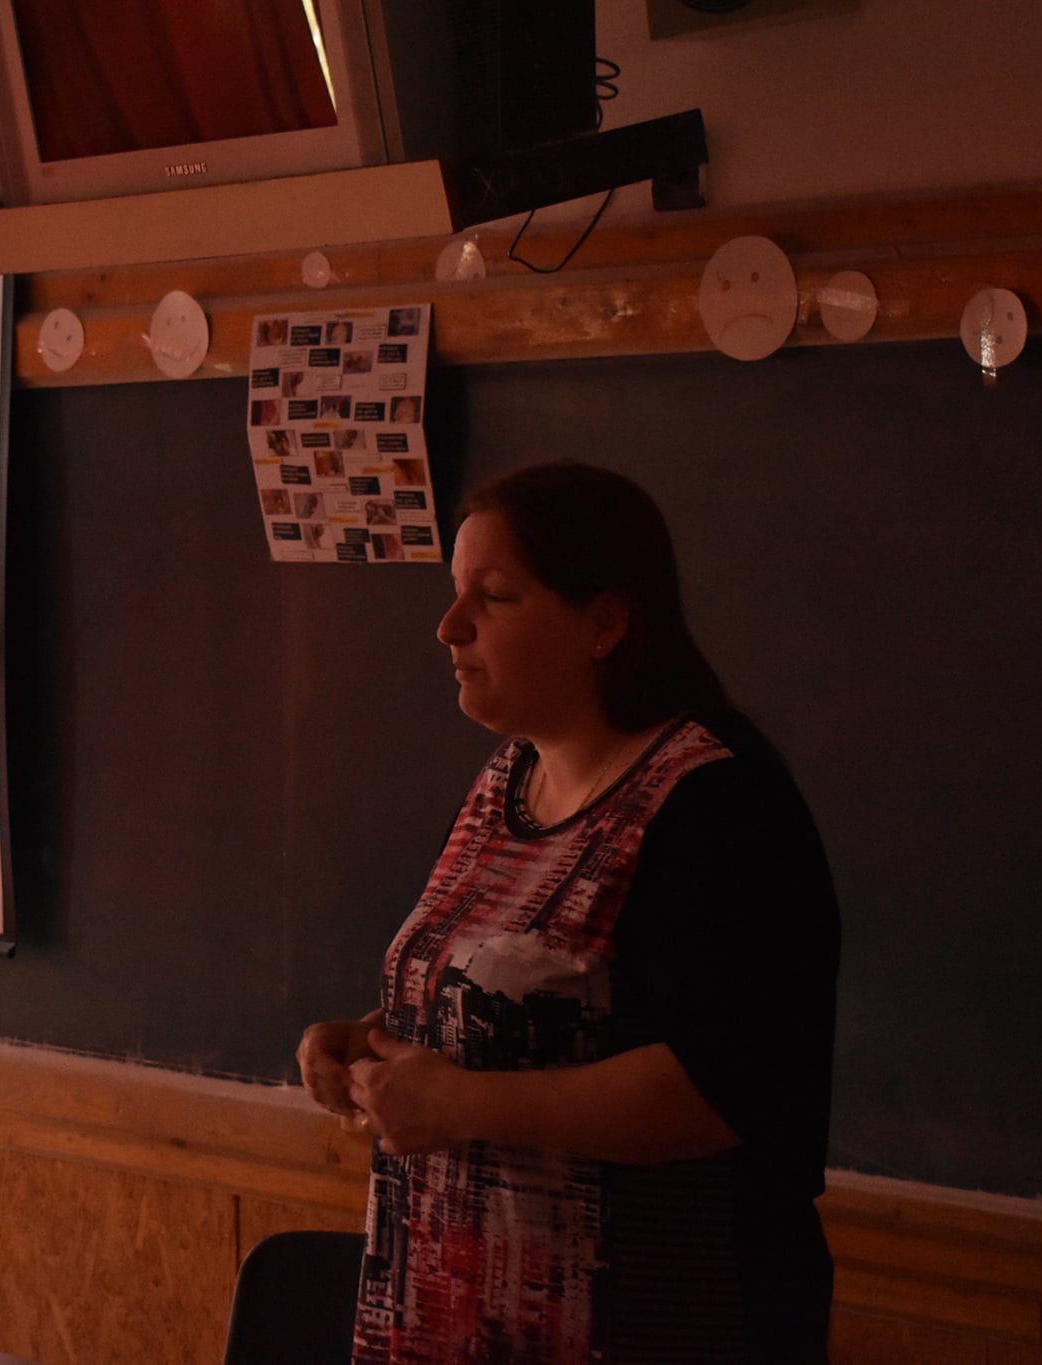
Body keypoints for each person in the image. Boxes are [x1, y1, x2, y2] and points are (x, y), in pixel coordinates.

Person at [298, 461, 840, 1364]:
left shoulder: (717, 802)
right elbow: (529, 1003)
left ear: (605, 623)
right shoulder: (506, 779)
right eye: (454, 592)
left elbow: (726, 1086)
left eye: (494, 596)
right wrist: (373, 1039)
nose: (449, 626)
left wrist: (462, 1102)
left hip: (649, 1321)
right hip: (456, 1316)